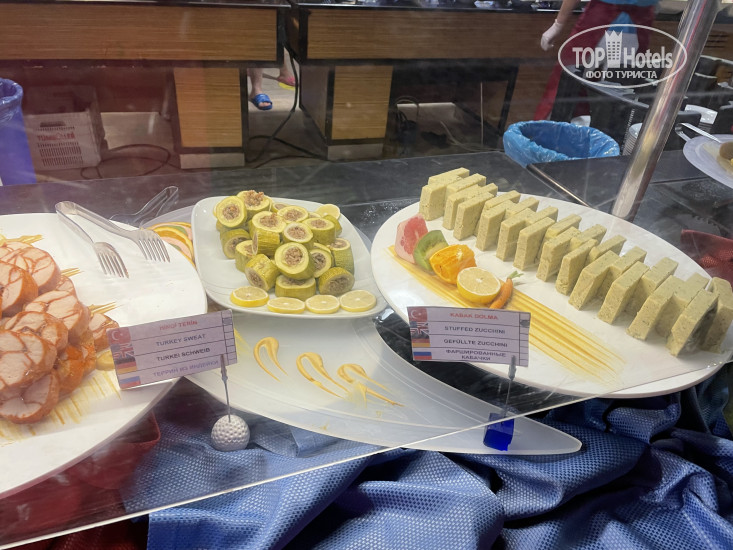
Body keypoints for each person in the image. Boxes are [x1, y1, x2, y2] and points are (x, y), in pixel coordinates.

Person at [534, 0, 658, 120]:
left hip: (605, 20)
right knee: (615, 102)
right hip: (633, 24)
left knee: (565, 87)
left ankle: (549, 129)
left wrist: (558, 24)